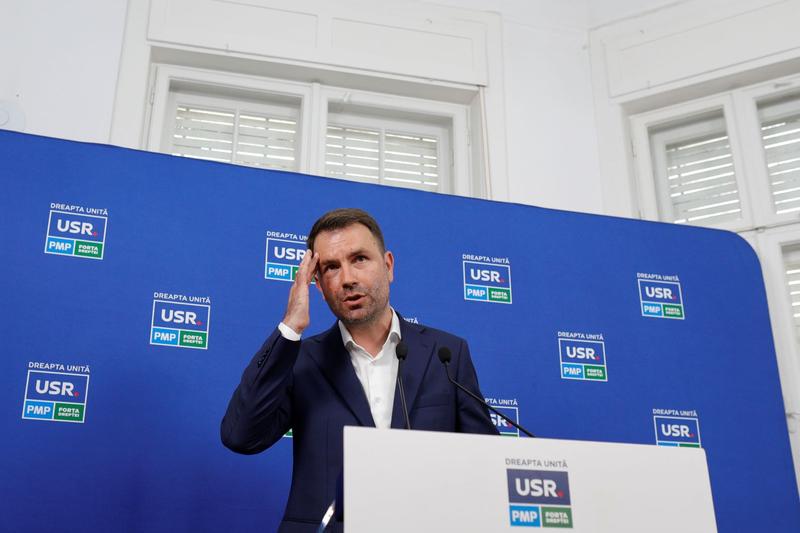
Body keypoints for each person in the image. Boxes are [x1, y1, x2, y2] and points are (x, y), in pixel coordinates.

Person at [221, 208, 497, 532]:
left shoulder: (447, 354)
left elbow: (487, 462)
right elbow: (241, 436)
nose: (348, 278)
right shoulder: (300, 360)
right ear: (318, 284)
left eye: (359, 259)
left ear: (388, 266)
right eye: (331, 268)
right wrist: (291, 325)